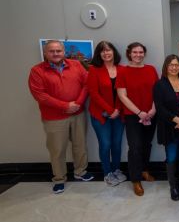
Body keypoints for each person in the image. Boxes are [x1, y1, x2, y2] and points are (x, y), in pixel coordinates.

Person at [28, 40, 94, 194]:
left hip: (78, 114)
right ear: (45, 53)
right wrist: (65, 106)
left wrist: (77, 103)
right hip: (54, 118)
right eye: (52, 51)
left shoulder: (76, 65)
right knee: (57, 149)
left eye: (58, 50)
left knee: (80, 145)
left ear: (64, 52)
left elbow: (87, 84)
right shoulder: (37, 71)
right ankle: (59, 179)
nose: (56, 53)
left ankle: (81, 172)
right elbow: (40, 95)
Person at [117, 42, 159, 196]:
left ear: (144, 54)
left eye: (141, 52)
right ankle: (135, 179)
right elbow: (122, 96)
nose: (138, 55)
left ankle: (144, 170)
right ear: (129, 54)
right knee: (134, 147)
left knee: (147, 144)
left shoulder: (151, 70)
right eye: (135, 52)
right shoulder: (123, 71)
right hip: (132, 116)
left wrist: (153, 110)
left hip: (151, 114)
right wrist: (139, 112)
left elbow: (157, 91)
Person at [153, 54, 179, 201]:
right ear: (166, 66)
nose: (174, 67)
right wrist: (176, 119)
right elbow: (160, 107)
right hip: (169, 127)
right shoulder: (160, 84)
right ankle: (173, 186)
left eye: (176, 65)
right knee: (171, 156)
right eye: (171, 65)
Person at [87, 41, 126, 186]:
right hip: (100, 114)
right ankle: (107, 172)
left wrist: (117, 110)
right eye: (102, 51)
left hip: (119, 114)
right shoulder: (94, 70)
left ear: (114, 52)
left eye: (108, 50)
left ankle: (116, 170)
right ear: (99, 54)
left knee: (116, 144)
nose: (106, 53)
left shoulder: (122, 69)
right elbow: (94, 93)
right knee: (105, 144)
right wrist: (110, 110)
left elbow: (124, 92)